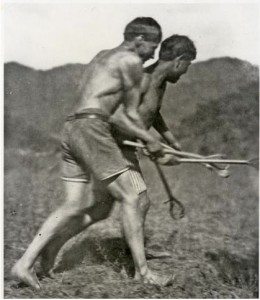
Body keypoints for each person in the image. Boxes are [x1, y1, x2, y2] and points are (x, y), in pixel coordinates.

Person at [11, 17, 170, 290]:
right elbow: (129, 113)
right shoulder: (131, 62)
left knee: (74, 205)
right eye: (153, 46)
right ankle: (143, 273)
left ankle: (24, 264)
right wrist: (149, 140)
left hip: (72, 127)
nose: (154, 54)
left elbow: (92, 100)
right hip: (93, 129)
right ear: (139, 40)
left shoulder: (101, 57)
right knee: (132, 196)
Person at [35, 34, 197, 287]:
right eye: (187, 66)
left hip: (124, 148)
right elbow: (117, 115)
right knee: (139, 200)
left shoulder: (160, 82)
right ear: (179, 60)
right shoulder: (142, 79)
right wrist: (146, 140)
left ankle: (53, 246)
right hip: (114, 147)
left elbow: (152, 112)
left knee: (102, 209)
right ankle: (141, 271)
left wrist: (171, 141)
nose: (185, 73)